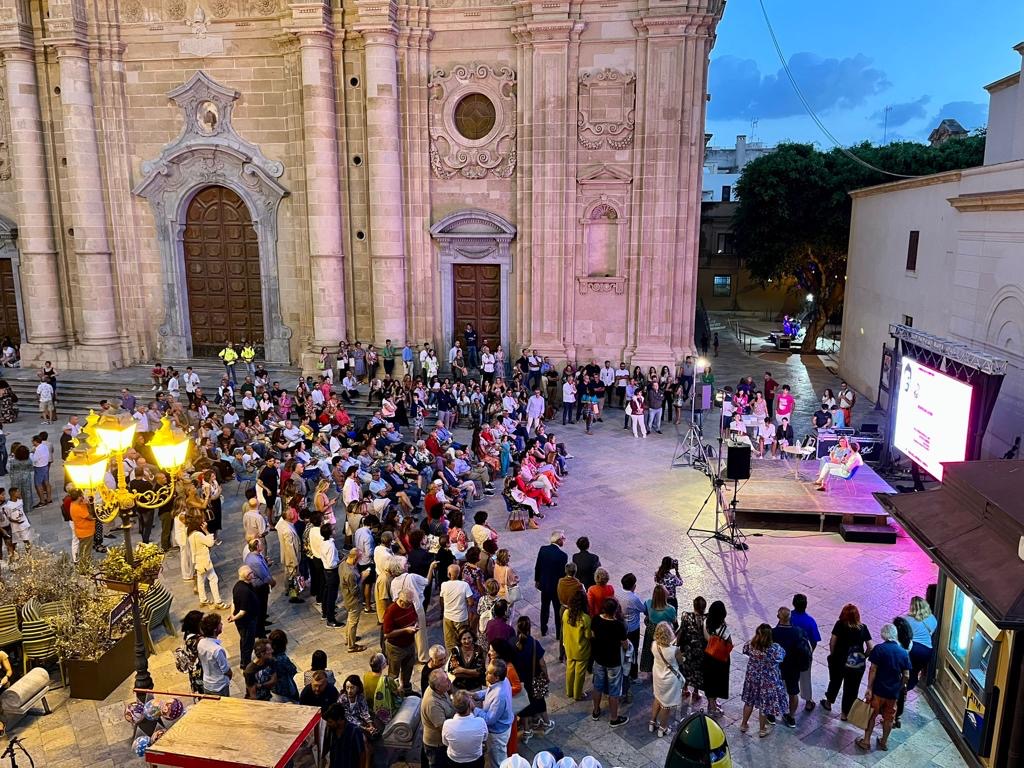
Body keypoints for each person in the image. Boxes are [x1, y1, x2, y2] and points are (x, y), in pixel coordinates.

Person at [857, 623, 911, 752]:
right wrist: (900, 686)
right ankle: (884, 741)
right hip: (892, 693)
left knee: (872, 715)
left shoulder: (879, 649)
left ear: (883, 635)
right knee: (888, 718)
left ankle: (866, 741)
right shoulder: (903, 652)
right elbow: (907, 675)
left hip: (878, 690)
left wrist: (869, 687)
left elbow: (873, 669)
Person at [821, 603, 873, 719]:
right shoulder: (863, 628)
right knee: (852, 688)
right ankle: (845, 714)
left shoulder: (840, 625)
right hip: (856, 662)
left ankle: (829, 702)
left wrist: (833, 654)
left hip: (840, 659)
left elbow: (832, 641)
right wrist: (864, 656)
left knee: (835, 681)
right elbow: (871, 646)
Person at [739, 624, 789, 738]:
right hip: (767, 682)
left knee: (749, 702)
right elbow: (782, 656)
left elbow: (744, 650)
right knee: (764, 705)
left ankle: (743, 724)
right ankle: (762, 730)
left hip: (752, 679)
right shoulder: (774, 649)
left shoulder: (751, 645)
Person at [591, 597, 630, 729]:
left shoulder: (596, 619)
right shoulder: (618, 625)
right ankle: (614, 718)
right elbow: (625, 644)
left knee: (597, 686)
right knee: (614, 690)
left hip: (598, 658)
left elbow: (593, 635)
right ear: (615, 610)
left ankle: (596, 711)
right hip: (613, 661)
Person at [513, 615, 553, 737]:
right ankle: (546, 724)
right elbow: (542, 664)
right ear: (529, 628)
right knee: (539, 701)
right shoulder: (534, 644)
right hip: (533, 679)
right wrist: (546, 676)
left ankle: (526, 730)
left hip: (519, 680)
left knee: (524, 704)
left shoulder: (512, 643)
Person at [772, 607, 810, 727]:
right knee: (793, 692)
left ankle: (771, 713)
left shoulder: (773, 633)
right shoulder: (798, 632)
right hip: (793, 667)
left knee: (773, 689)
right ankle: (791, 716)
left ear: (778, 617)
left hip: (777, 666)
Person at [473, 658, 515, 768]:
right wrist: (477, 695)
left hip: (497, 733)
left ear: (496, 677)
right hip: (501, 728)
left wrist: (474, 709)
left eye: (489, 672)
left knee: (498, 761)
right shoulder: (503, 680)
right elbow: (489, 692)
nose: (486, 673)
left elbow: (489, 719)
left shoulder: (499, 696)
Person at [650, 621, 683, 738]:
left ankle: (652, 722)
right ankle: (663, 728)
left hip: (657, 676)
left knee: (658, 698)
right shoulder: (674, 650)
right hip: (669, 679)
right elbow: (680, 661)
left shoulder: (654, 645)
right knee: (666, 705)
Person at [383, 589, 419, 695]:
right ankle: (391, 694)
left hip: (409, 644)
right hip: (396, 648)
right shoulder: (391, 611)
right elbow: (387, 634)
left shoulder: (410, 604)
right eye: (408, 604)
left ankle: (407, 690)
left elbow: (415, 616)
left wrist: (416, 624)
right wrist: (405, 630)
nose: (411, 605)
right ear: (401, 601)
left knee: (408, 668)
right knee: (394, 673)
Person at [790, 593, 822, 712]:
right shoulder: (810, 621)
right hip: (804, 654)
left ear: (793, 604)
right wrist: (810, 652)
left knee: (788, 677)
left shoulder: (789, 617)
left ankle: (789, 697)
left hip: (790, 653)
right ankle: (808, 702)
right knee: (805, 677)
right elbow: (814, 640)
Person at [533, 530, 568, 638]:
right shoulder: (562, 555)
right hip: (556, 588)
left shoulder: (543, 549)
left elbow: (537, 566)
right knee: (558, 610)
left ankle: (543, 629)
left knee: (544, 608)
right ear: (558, 540)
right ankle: (558, 633)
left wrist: (537, 581)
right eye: (563, 538)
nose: (564, 540)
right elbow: (562, 574)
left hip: (545, 585)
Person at [442, 689, 489, 767]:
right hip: (476, 760)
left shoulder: (447, 724)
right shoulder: (480, 722)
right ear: (470, 705)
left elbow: (445, 742)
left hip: (454, 761)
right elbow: (484, 738)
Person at [339, 675, 378, 768]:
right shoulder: (342, 699)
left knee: (370, 740)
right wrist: (365, 728)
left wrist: (370, 725)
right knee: (364, 740)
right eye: (347, 688)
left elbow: (365, 712)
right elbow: (348, 718)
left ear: (357, 688)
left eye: (352, 688)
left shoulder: (360, 697)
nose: (349, 691)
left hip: (359, 722)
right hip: (347, 725)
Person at [702, 600, 731, 717]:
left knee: (709, 681)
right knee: (719, 681)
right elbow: (729, 644)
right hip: (720, 660)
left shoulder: (705, 623)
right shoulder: (724, 629)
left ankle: (711, 702)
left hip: (708, 656)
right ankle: (713, 707)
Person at [640, 585, 677, 676]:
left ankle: (649, 668)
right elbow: (674, 621)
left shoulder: (648, 603)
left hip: (651, 630)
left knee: (649, 650)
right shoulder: (671, 609)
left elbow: (645, 613)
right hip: (664, 632)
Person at [422, 669, 456, 768]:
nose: (449, 681)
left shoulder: (440, 689)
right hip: (436, 746)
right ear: (437, 687)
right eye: (446, 681)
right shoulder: (432, 704)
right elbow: (443, 727)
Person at [903, 596, 937, 693]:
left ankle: (902, 689)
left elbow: (905, 636)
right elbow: (931, 632)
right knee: (915, 671)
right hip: (926, 650)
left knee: (906, 670)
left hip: (913, 649)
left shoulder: (907, 620)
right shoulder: (932, 619)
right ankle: (908, 687)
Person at [228, 565, 260, 667]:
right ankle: (246, 663)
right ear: (247, 576)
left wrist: (232, 614)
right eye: (251, 573)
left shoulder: (238, 585)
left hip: (245, 620)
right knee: (248, 643)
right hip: (247, 621)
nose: (253, 574)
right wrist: (234, 617)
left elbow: (233, 602)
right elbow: (243, 611)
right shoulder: (244, 591)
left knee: (244, 641)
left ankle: (244, 660)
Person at [562, 590, 592, 701]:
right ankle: (577, 694)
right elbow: (588, 635)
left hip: (569, 647)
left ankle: (569, 691)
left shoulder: (566, 613)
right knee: (580, 673)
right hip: (581, 650)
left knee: (570, 669)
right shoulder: (585, 618)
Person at [676, 596, 707, 703]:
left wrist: (678, 645)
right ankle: (696, 692)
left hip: (687, 649)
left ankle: (684, 689)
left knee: (686, 668)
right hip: (700, 650)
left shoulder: (686, 616)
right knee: (698, 671)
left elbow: (681, 631)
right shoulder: (707, 619)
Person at [440, 563, 476, 650]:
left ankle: (452, 659)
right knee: (463, 640)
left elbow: (441, 600)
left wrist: (444, 610)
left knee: (449, 642)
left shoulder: (444, 585)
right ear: (459, 574)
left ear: (449, 574)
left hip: (448, 616)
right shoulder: (464, 585)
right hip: (461, 618)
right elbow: (471, 602)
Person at [197, 612, 232, 696]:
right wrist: (229, 677)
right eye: (220, 624)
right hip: (219, 686)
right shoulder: (217, 650)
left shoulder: (201, 642)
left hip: (207, 684)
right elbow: (226, 670)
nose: (222, 624)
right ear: (215, 629)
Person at [340, 547, 367, 652]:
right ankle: (351, 646)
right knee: (353, 622)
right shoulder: (350, 573)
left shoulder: (343, 564)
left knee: (350, 619)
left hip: (347, 597)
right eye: (360, 557)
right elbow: (354, 591)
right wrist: (363, 577)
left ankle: (349, 638)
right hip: (353, 600)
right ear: (355, 557)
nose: (360, 560)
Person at [178, 610, 205, 694]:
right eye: (202, 621)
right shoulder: (196, 640)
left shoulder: (188, 634)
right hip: (200, 673)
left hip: (194, 672)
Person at [269, 629, 300, 702]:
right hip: (285, 689)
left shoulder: (267, 655)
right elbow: (293, 670)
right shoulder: (282, 658)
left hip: (272, 689)